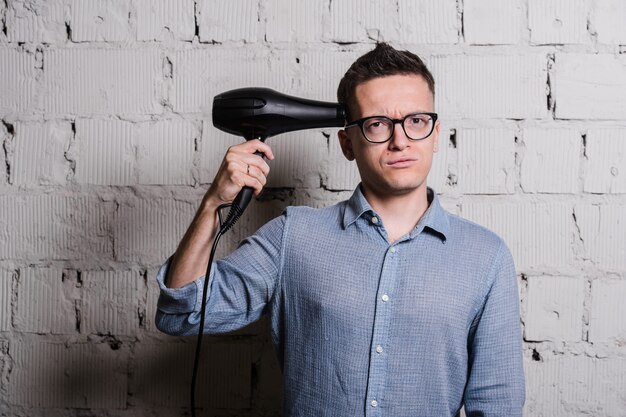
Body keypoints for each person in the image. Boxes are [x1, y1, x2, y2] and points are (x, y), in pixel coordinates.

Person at [155, 42, 525, 416]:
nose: (400, 141)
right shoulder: (293, 237)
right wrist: (213, 204)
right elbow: (181, 314)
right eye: (377, 124)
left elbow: (497, 405)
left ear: (434, 133)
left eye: (416, 121)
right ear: (348, 143)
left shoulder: (486, 257)